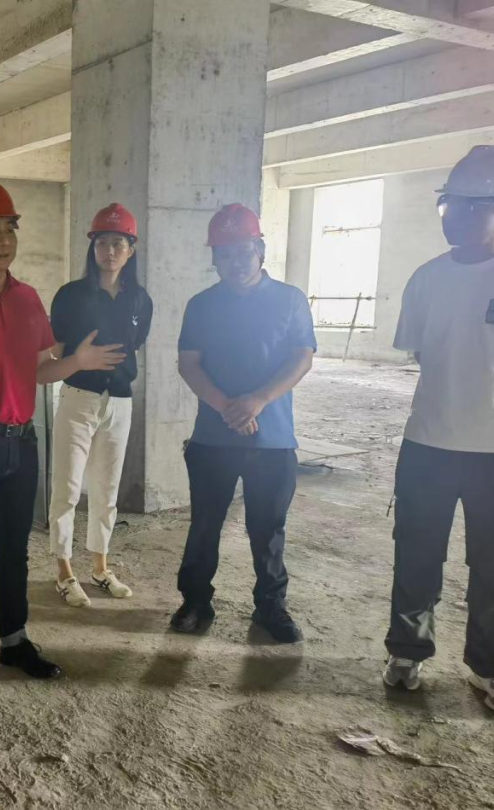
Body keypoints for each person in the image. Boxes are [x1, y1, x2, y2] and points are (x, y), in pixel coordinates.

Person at [0, 180, 123, 704]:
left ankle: (14, 642)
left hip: (21, 442)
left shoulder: (28, 297)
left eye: (9, 229)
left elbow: (38, 370)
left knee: (14, 551)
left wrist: (76, 362)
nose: (3, 240)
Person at [383, 145, 494, 716]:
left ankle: (491, 668)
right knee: (416, 551)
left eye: (472, 207)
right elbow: (425, 354)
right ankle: (406, 652)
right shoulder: (427, 279)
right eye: (450, 204)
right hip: (428, 441)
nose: (455, 216)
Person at [172, 204, 315, 644]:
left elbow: (302, 357)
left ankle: (270, 607)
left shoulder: (290, 299)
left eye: (243, 251)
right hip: (212, 438)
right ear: (215, 259)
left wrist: (258, 401)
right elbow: (189, 364)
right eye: (225, 254)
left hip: (273, 439)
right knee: (205, 524)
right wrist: (226, 407)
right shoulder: (201, 305)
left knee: (267, 529)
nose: (235, 262)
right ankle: (195, 601)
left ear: (260, 250)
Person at [47, 203, 152, 606]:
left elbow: (135, 345)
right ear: (93, 247)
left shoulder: (140, 300)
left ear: (131, 250)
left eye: (119, 244)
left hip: (119, 402)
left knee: (107, 490)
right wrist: (80, 361)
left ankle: (100, 567)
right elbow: (55, 352)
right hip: (79, 399)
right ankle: (64, 571)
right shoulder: (71, 296)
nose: (110, 251)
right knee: (67, 488)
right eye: (103, 243)